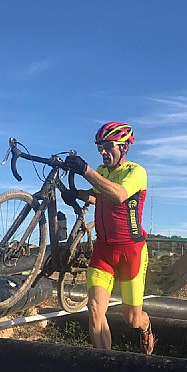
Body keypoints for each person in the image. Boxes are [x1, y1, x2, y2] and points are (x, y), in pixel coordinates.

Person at [63, 121, 154, 355]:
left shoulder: (136, 172)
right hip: (103, 251)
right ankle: (105, 367)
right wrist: (76, 194)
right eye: (100, 148)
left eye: (108, 147)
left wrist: (86, 171)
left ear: (124, 147)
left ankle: (146, 326)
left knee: (132, 319)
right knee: (94, 309)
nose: (103, 152)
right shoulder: (103, 172)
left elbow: (118, 195)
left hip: (130, 252)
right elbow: (98, 196)